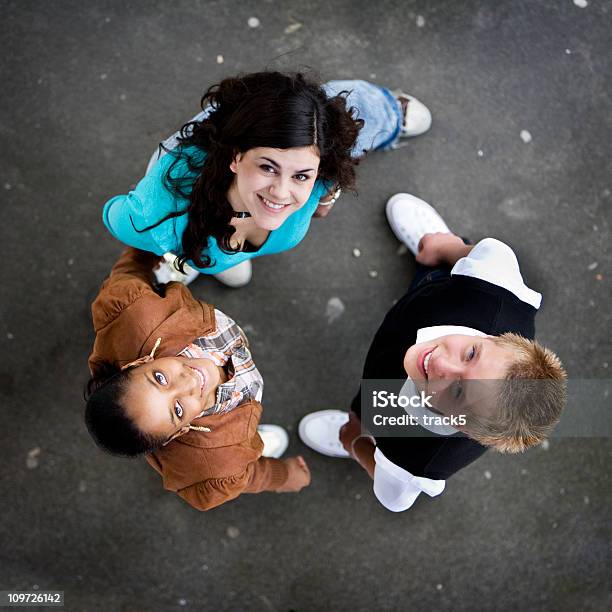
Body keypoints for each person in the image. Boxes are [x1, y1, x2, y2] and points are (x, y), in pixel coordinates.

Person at [299, 193, 567, 512]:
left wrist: (358, 444)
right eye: (471, 354)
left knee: (367, 415)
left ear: (463, 428)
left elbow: (394, 497)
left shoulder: (419, 454)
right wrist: (449, 247)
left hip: (381, 395)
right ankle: (433, 255)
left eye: (457, 391)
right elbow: (490, 252)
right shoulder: (496, 291)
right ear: (499, 337)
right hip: (435, 291)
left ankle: (359, 427)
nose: (440, 362)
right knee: (441, 273)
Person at [102, 71, 432, 287]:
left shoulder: (321, 167)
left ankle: (391, 111)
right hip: (186, 185)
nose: (282, 194)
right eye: (268, 167)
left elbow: (339, 140)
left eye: (301, 175)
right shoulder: (158, 213)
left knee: (339, 110)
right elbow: (114, 215)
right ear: (235, 157)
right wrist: (172, 248)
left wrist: (328, 194)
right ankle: (193, 258)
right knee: (197, 249)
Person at [85, 247, 310, 511]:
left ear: (138, 363)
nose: (189, 382)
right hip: (225, 438)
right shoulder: (213, 464)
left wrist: (158, 246)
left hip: (181, 301)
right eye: (177, 410)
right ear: (178, 433)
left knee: (223, 259)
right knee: (236, 454)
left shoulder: (134, 314)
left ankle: (190, 259)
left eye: (159, 378)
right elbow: (245, 476)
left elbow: (128, 272)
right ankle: (249, 444)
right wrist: (281, 476)